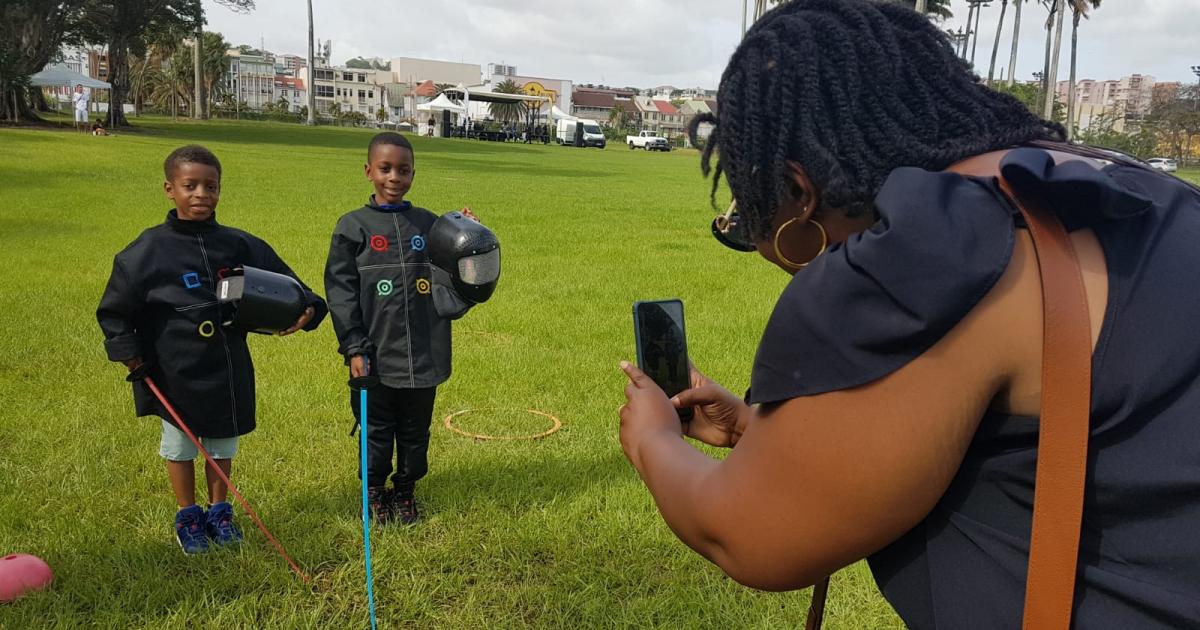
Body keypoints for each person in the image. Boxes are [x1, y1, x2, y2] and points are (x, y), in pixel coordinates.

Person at [617, 1, 1200, 628]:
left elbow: (749, 535)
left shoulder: (926, 254)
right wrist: (754, 432)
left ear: (799, 190)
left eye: (749, 207)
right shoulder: (1131, 187)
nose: (752, 234)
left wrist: (652, 438)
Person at [97, 145, 328, 555]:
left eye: (211, 186)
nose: (201, 194)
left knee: (222, 443)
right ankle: (188, 515)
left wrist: (309, 307)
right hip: (174, 369)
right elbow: (114, 310)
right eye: (190, 185)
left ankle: (220, 511)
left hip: (227, 365)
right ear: (170, 189)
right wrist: (129, 353)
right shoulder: (147, 251)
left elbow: (290, 284)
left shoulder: (239, 244)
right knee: (181, 446)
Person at [325, 132, 477, 525]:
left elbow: (459, 267)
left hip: (425, 352)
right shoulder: (351, 228)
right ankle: (374, 492)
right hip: (375, 352)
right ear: (368, 171)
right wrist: (354, 348)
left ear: (413, 174)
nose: (395, 177)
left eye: (404, 170)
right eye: (386, 168)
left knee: (415, 431)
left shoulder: (428, 224)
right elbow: (340, 294)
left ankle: (406, 491)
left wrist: (466, 232)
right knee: (376, 430)